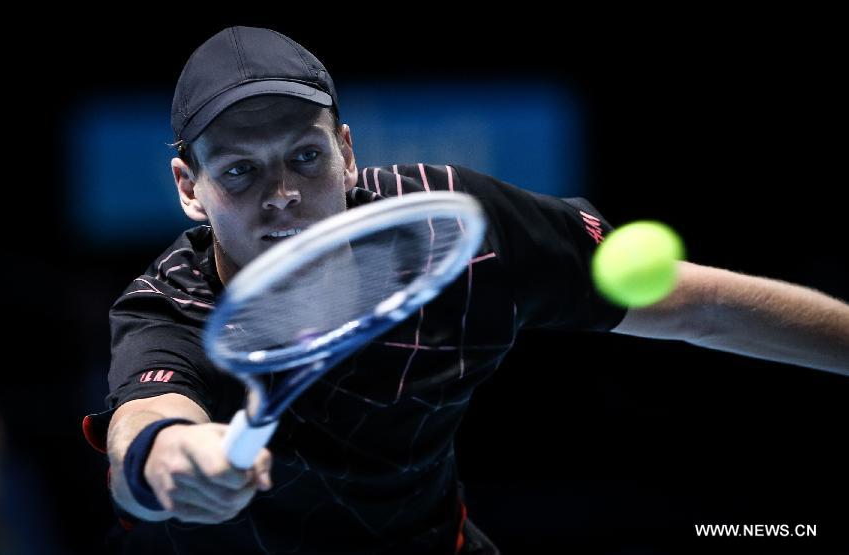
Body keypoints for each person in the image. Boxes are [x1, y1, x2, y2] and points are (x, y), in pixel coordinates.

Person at [82, 26, 849, 554]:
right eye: (241, 171)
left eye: (305, 158)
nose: (281, 194)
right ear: (190, 188)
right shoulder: (170, 307)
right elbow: (144, 431)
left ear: (346, 153)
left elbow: (700, 304)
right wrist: (172, 457)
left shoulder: (452, 226)